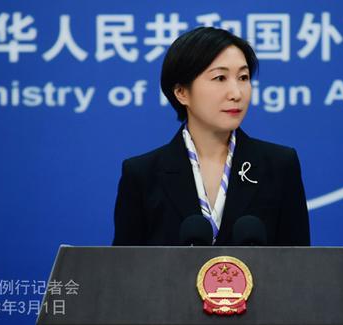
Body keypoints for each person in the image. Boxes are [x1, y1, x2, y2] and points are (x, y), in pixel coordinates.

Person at [112, 27, 310, 246]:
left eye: (243, 77)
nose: (236, 93)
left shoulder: (280, 166)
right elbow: (125, 271)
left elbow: (298, 267)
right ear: (181, 92)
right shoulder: (142, 175)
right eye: (220, 78)